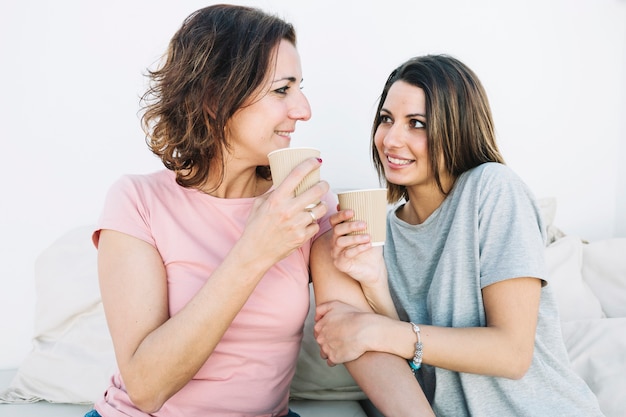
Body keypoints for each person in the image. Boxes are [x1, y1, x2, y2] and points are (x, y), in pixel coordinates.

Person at [312, 54, 605, 416]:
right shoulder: (379, 232)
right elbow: (417, 376)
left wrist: (375, 331)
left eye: (416, 123)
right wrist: (375, 285)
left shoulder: (493, 189)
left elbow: (512, 354)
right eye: (386, 119)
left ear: (458, 128)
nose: (391, 139)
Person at [86, 4, 336, 417]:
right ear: (214, 97)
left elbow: (353, 329)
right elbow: (147, 388)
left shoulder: (304, 201)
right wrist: (254, 250)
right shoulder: (137, 201)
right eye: (281, 90)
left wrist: (372, 277)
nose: (304, 110)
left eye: (300, 88)